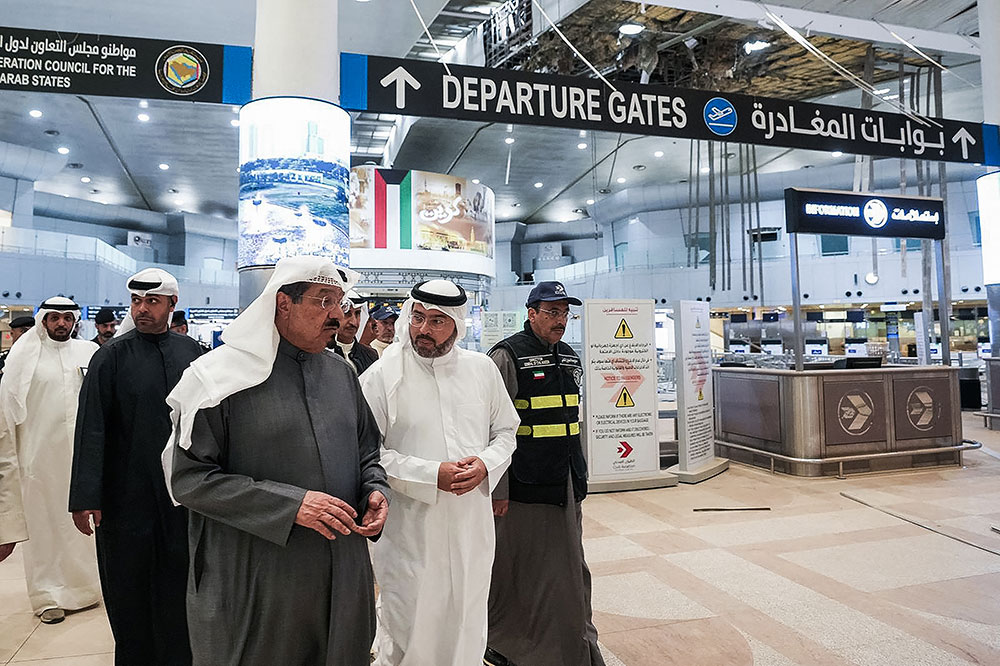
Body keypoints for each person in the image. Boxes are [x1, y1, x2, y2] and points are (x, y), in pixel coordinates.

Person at [163, 255, 390, 665]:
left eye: (340, 302)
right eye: (323, 301)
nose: (338, 316)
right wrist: (291, 505)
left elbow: (367, 450)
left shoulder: (340, 374)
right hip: (259, 572)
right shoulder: (216, 379)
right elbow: (190, 480)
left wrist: (376, 489)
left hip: (342, 568)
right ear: (283, 303)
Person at [360, 279, 519, 666]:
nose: (423, 330)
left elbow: (506, 431)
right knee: (410, 616)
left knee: (466, 610)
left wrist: (485, 465)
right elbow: (366, 454)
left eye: (436, 321)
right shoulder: (382, 377)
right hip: (410, 526)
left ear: (456, 325)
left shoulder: (480, 370)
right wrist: (432, 474)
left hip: (470, 522)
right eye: (417, 318)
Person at [69, 268, 203, 665]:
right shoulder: (109, 356)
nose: (142, 309)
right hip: (124, 495)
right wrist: (85, 496)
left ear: (172, 305)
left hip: (179, 497)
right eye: (137, 302)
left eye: (152, 302)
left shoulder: (192, 354)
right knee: (129, 588)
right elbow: (91, 427)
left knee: (178, 583)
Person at [485, 281, 603, 666]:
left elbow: (570, 421)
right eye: (551, 312)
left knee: (569, 567)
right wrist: (497, 488)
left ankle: (575, 642)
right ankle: (507, 643)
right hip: (523, 484)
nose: (560, 320)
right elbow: (491, 428)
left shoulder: (569, 356)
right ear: (531, 312)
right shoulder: (506, 355)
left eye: (565, 312)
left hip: (566, 480)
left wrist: (579, 476)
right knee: (517, 567)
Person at [0, 298, 102, 624]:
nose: (61, 324)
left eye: (67, 318)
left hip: (80, 459)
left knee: (80, 531)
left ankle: (86, 591)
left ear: (74, 321)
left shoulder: (89, 352)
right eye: (54, 318)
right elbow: (8, 413)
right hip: (38, 461)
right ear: (43, 321)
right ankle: (47, 597)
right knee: (44, 530)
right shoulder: (23, 356)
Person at [328, 290, 379, 375]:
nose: (353, 322)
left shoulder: (371, 355)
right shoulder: (321, 354)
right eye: (347, 313)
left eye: (357, 313)